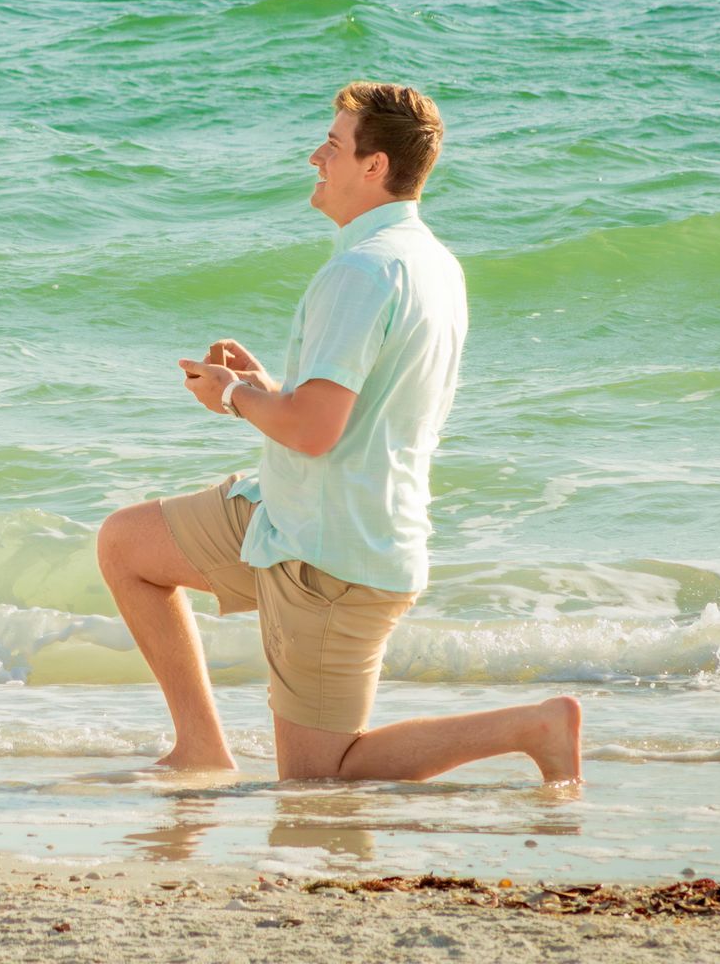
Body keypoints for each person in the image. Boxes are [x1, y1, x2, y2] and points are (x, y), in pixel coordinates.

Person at [96, 82, 582, 784]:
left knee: (320, 776)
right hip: (288, 517)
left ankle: (532, 726)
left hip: (330, 557)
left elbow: (317, 432)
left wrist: (233, 397)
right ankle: (199, 748)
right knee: (126, 544)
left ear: (373, 166)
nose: (315, 156)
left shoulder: (361, 270)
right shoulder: (431, 262)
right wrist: (267, 390)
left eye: (332, 145)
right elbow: (344, 408)